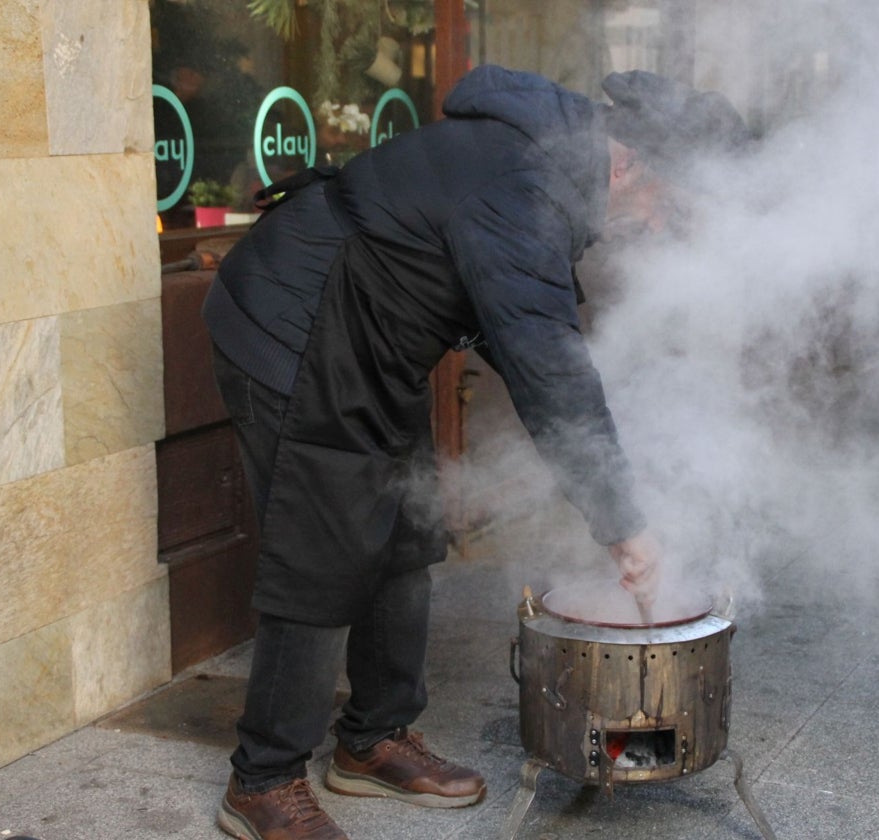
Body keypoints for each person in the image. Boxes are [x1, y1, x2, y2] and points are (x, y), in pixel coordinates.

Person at [202, 64, 748, 840]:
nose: (654, 227)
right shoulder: (526, 188)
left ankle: (371, 739)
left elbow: (532, 338)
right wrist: (625, 523)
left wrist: (613, 453)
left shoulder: (549, 167)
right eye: (663, 205)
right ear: (626, 163)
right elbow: (544, 361)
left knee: (404, 531)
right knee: (321, 551)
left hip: (369, 341)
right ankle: (263, 781)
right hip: (292, 324)